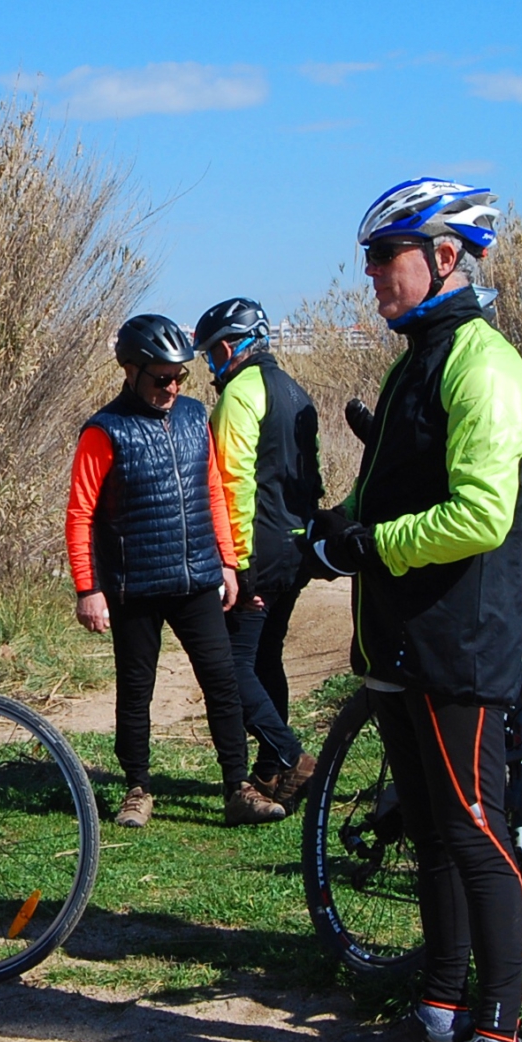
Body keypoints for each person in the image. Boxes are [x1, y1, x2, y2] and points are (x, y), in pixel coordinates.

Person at [307, 179, 522, 1042]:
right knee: (432, 835)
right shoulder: (417, 363)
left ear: (446, 257)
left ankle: (504, 1038)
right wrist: (332, 530)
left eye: (385, 257)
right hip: (398, 646)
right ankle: (439, 1013)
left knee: (478, 833)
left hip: (457, 642)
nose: (370, 275)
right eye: (369, 259)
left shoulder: (481, 365)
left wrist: (372, 545)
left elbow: (481, 514)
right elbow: (391, 487)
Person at [67, 314, 308, 828]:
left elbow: (216, 492)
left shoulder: (197, 416)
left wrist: (228, 561)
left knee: (222, 682)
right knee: (136, 688)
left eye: (180, 377)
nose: (172, 388)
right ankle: (137, 787)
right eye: (161, 378)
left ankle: (237, 787)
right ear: (130, 371)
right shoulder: (103, 431)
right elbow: (80, 513)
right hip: (134, 584)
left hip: (198, 575)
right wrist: (89, 588)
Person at [193, 297, 324, 803]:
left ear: (228, 348)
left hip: (257, 550)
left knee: (228, 665)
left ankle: (292, 755)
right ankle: (272, 771)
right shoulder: (296, 391)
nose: (209, 366)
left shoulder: (240, 395)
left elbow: (232, 485)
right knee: (267, 658)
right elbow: (309, 477)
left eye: (209, 356)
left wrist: (237, 565)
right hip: (295, 547)